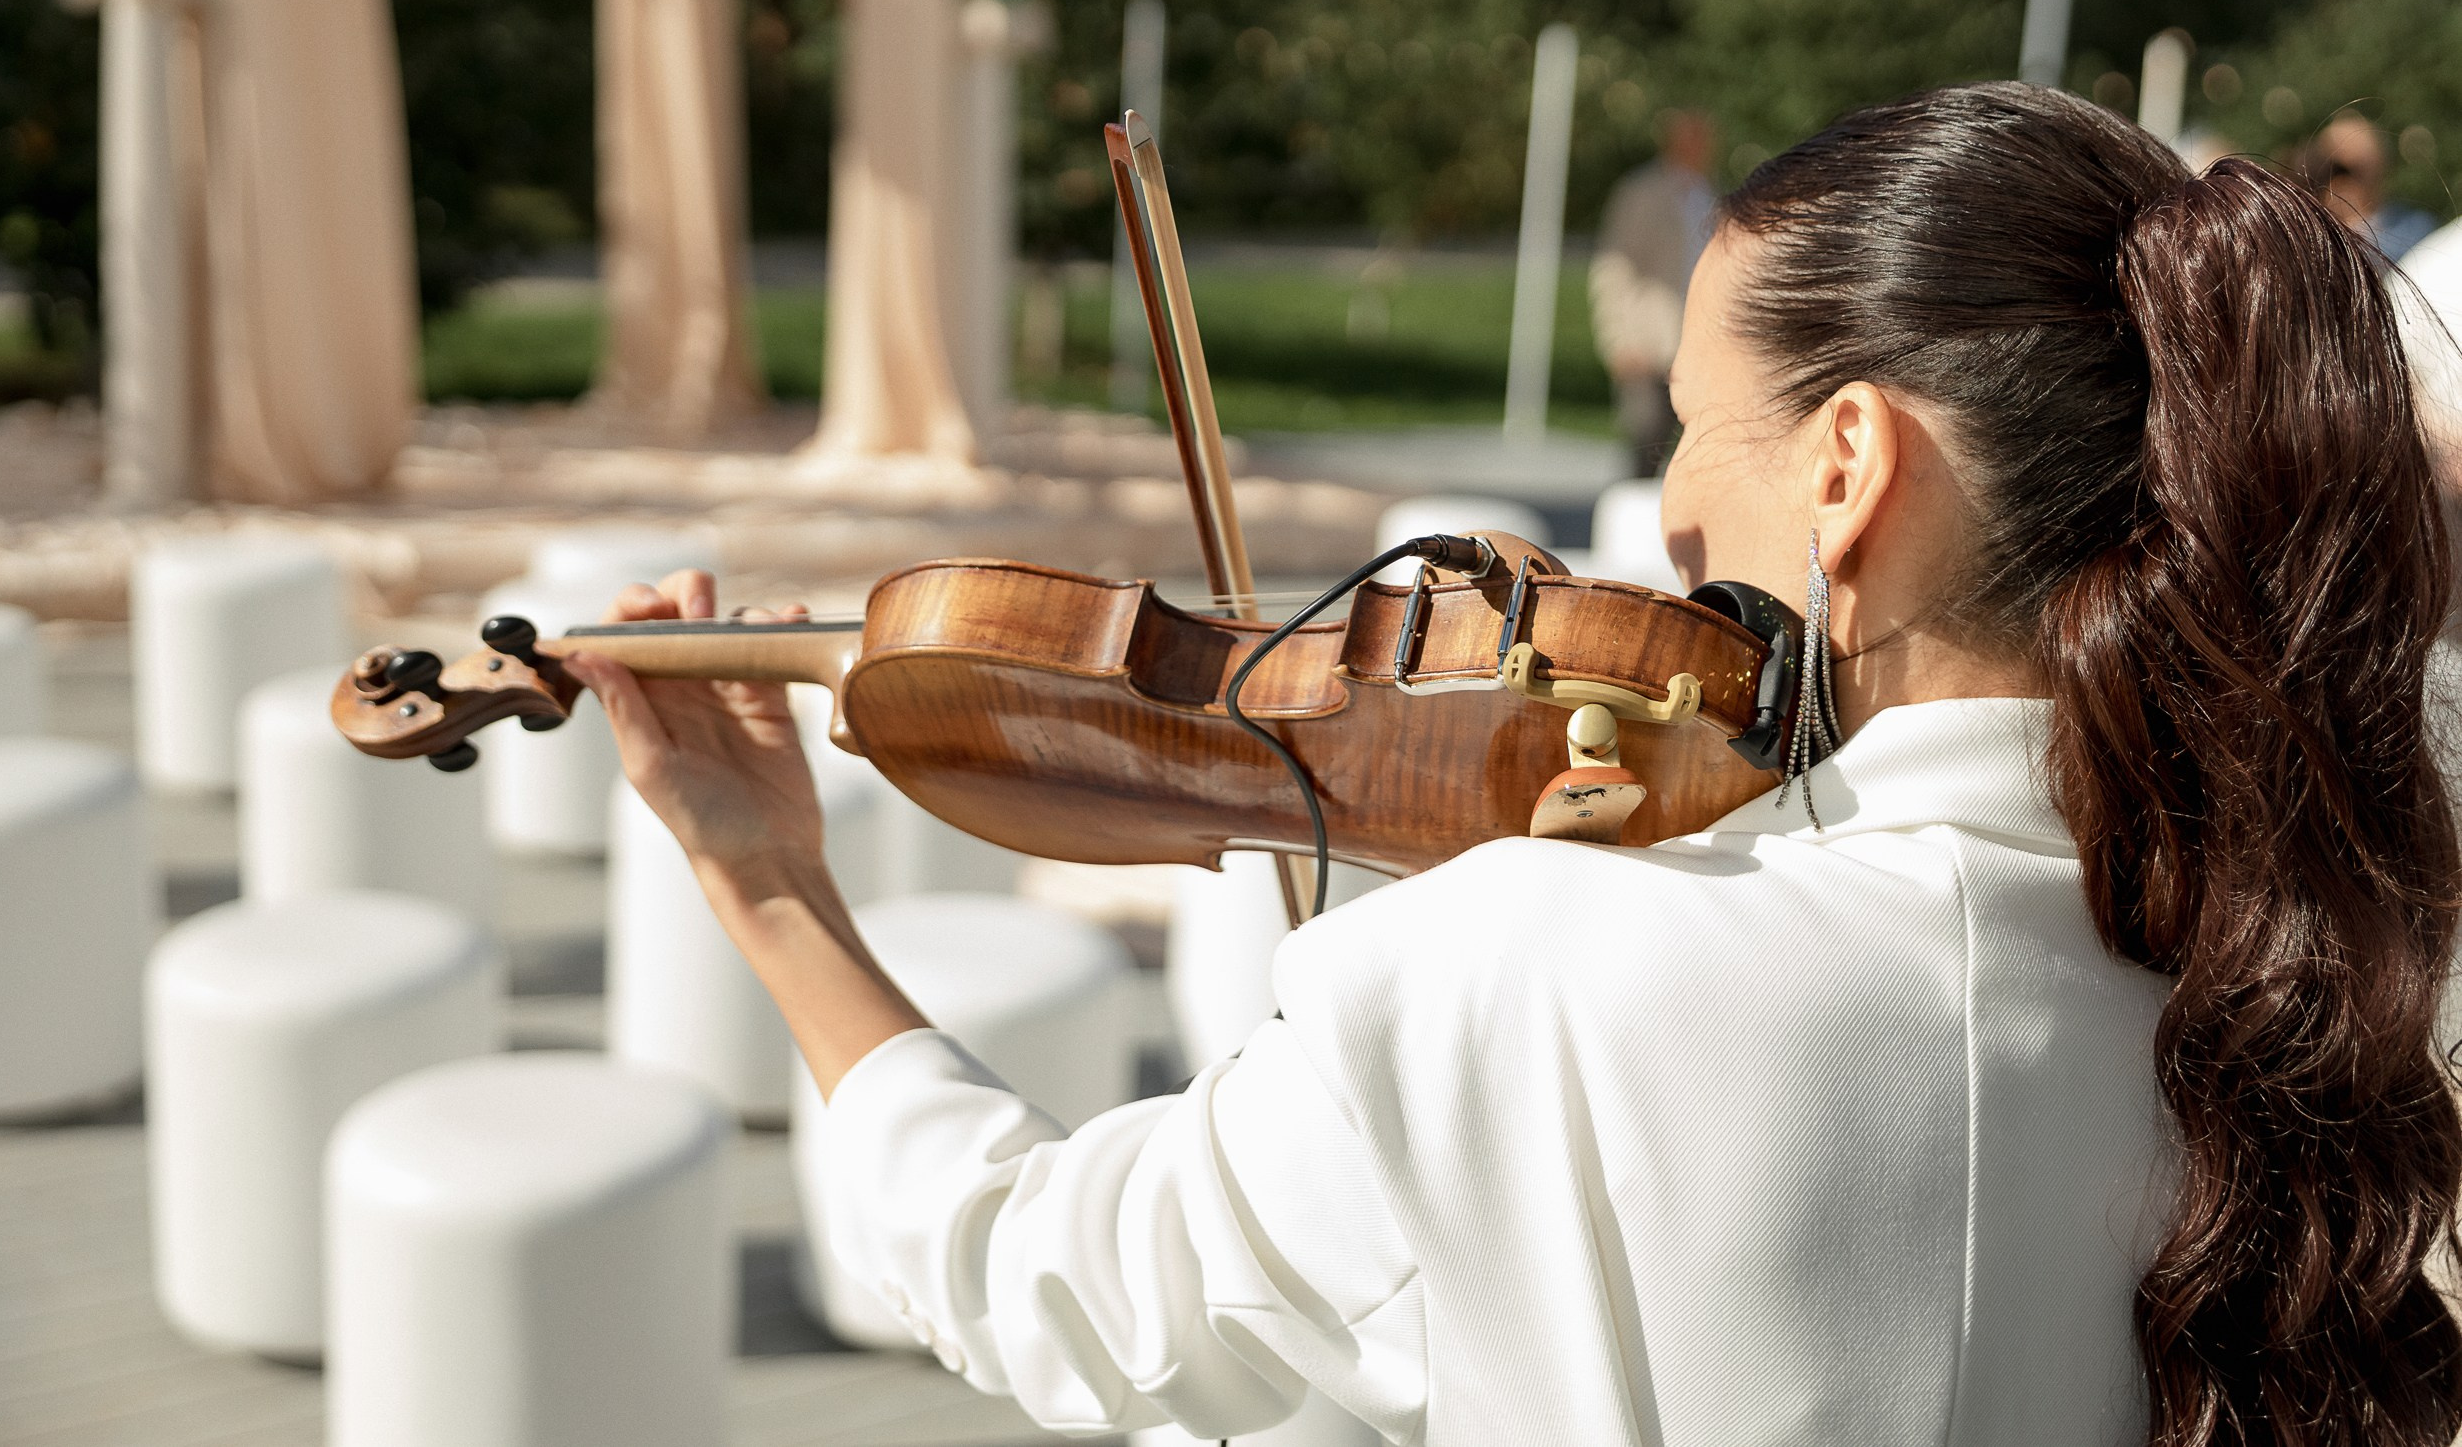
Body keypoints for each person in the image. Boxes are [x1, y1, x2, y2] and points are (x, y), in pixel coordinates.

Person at [572, 83, 2462, 1447]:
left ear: (1849, 463)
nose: (1663, 513)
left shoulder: (1525, 967)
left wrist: (766, 879)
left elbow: (1042, 1279)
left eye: (1709, 430)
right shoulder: (2334, 955)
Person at [1588, 109, 1717, 476]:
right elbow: (1614, 267)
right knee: (1645, 439)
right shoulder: (1641, 193)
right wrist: (1617, 337)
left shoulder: (1710, 194)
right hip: (1647, 339)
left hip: (1694, 339)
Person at [2305, 111, 2438, 262]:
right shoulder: (2309, 234)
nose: (2340, 181)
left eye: (2350, 171)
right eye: (2332, 169)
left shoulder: (2415, 228)